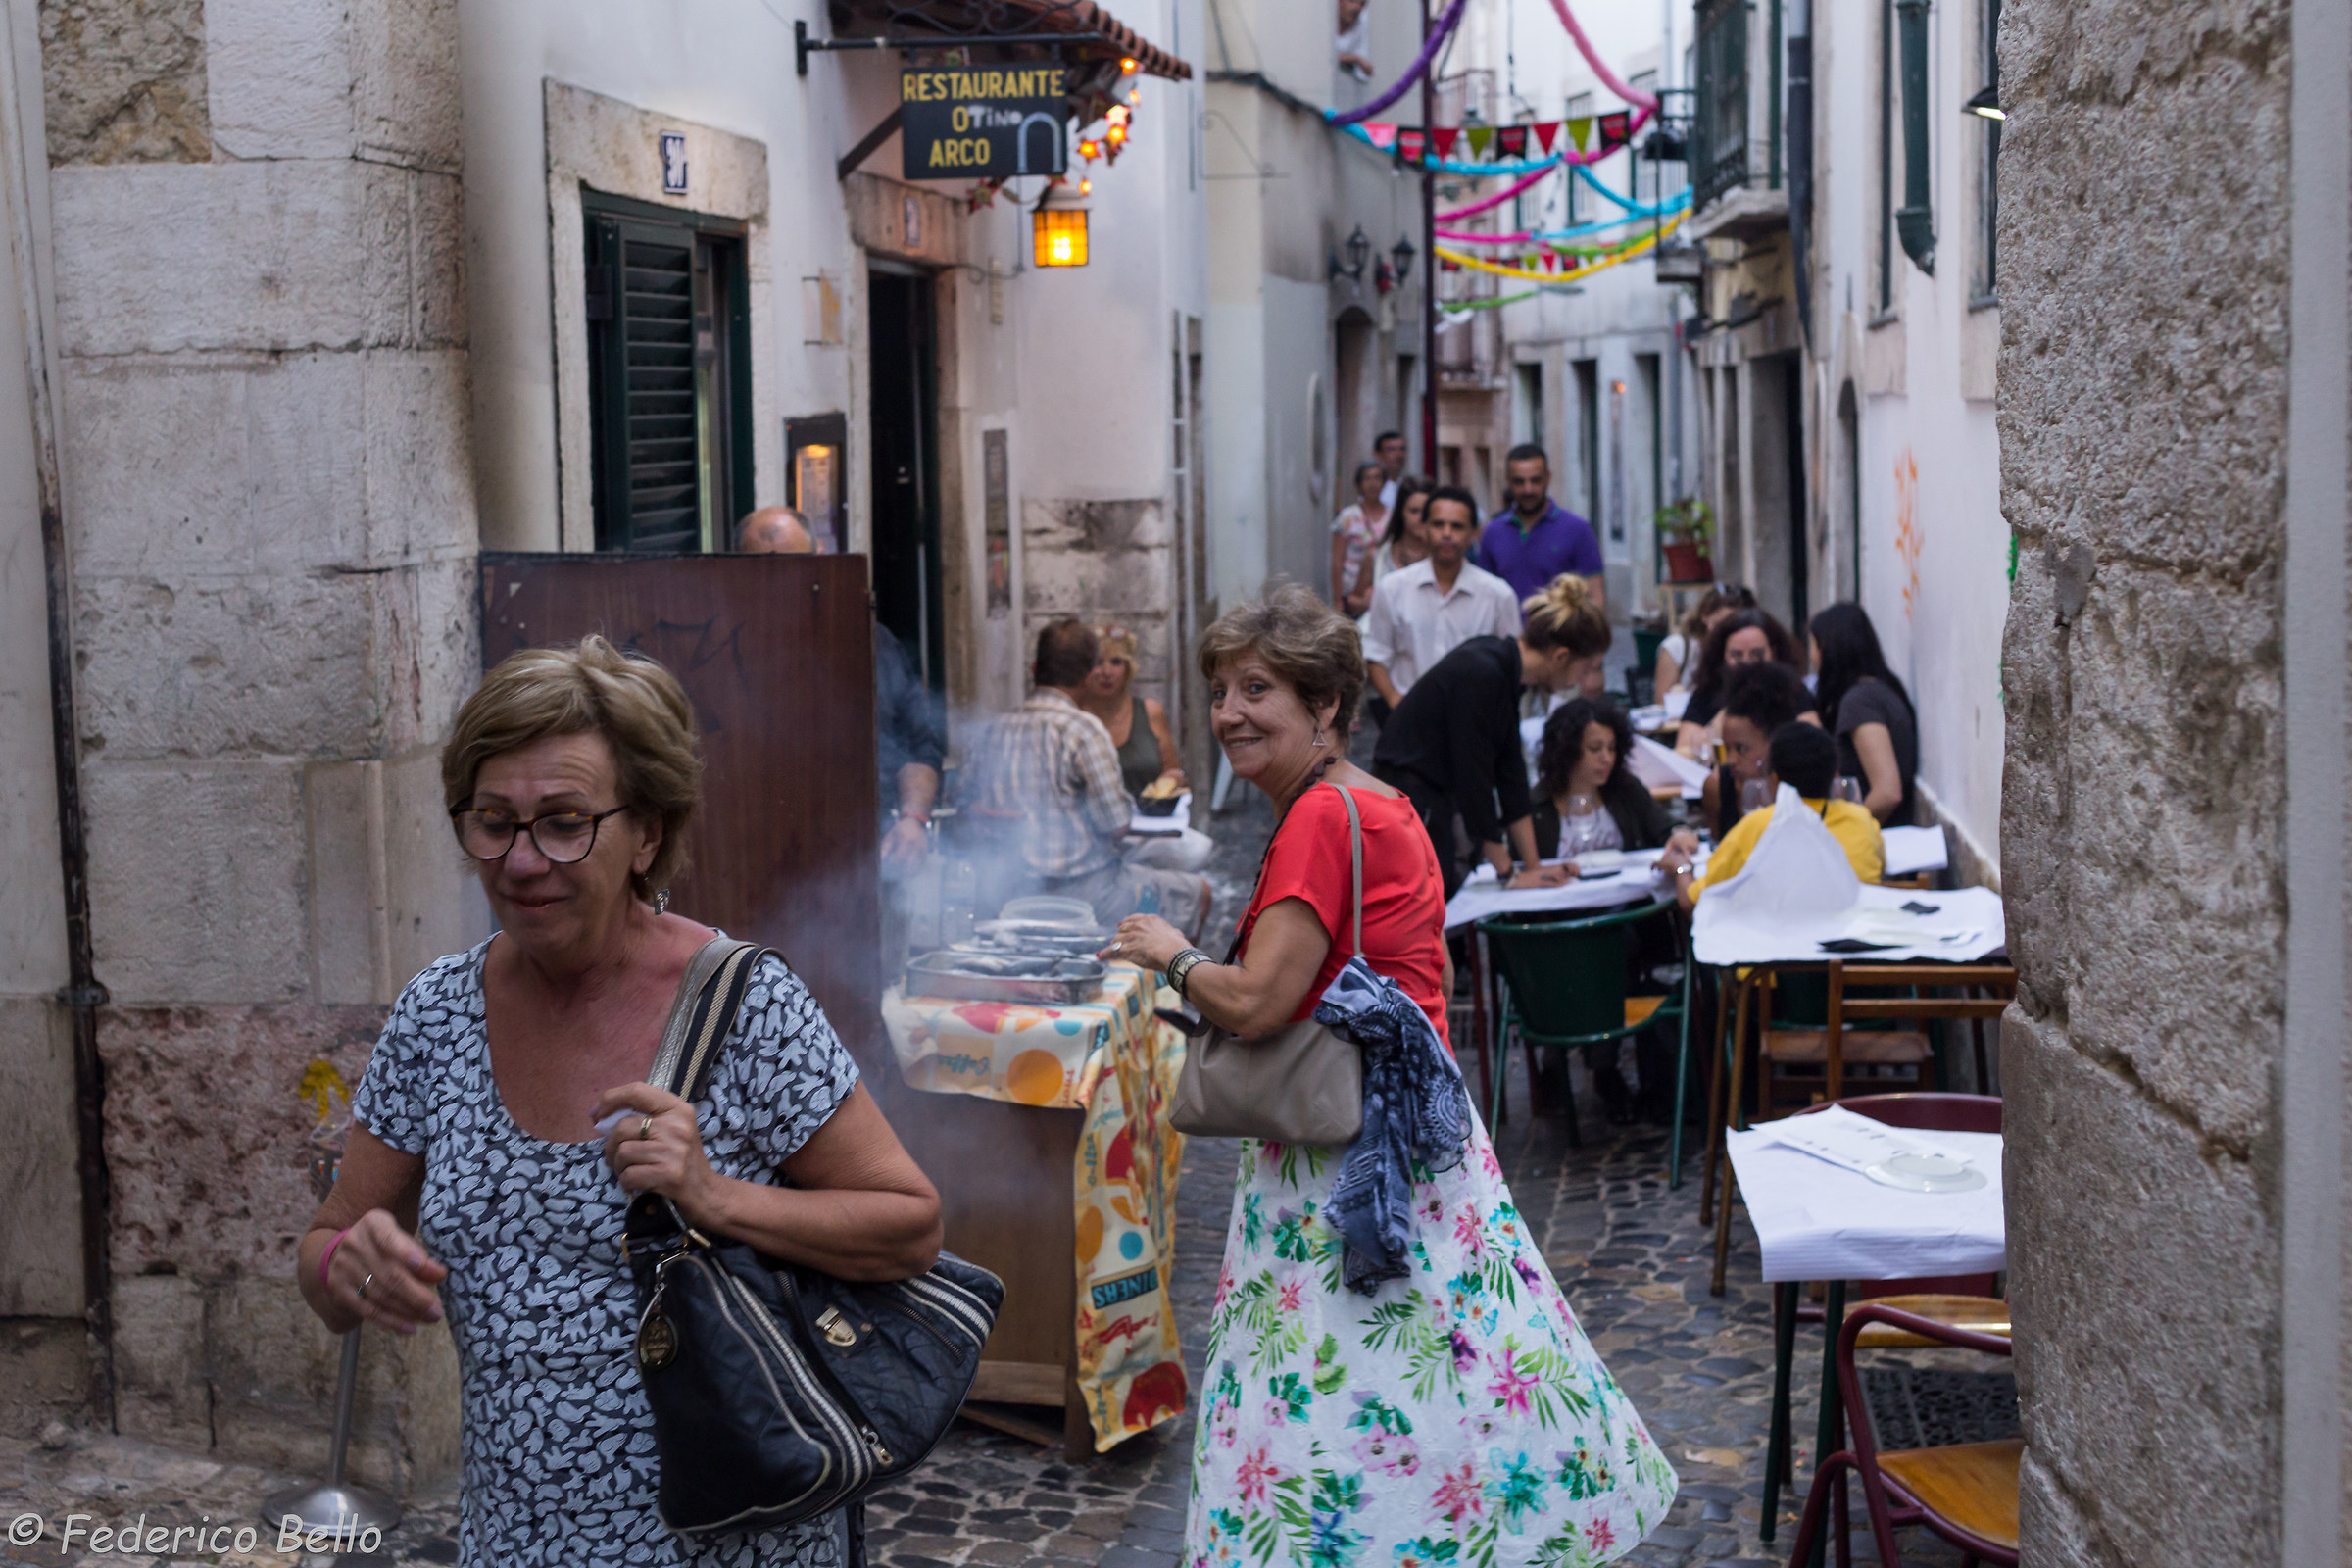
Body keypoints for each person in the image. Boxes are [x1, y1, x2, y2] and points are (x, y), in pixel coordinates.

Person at [297, 635, 943, 1567]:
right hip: (516, 1540)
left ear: (647, 832)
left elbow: (909, 1226)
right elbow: (326, 1253)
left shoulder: (745, 1005)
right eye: (493, 821)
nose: (522, 861)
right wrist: (349, 1269)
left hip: (731, 1546)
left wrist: (714, 1197)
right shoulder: (437, 1013)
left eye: (565, 823)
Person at [1095, 585, 1677, 1567]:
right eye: (1222, 690)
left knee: (1324, 1393)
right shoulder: (1382, 802)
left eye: (1258, 689)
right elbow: (1427, 964)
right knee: (1427, 1374)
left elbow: (1258, 1003)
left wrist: (1171, 954)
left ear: (1325, 703)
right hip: (1412, 1128)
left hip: (1339, 1151)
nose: (1230, 712)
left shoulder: (1321, 818)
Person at [962, 619, 1211, 936]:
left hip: (1005, 889)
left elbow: (964, 808)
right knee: (1199, 894)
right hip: (1086, 892)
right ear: (1087, 676)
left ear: (1034, 669)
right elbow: (1116, 824)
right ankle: (1167, 969)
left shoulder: (992, 729)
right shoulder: (1083, 729)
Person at [1372, 575, 1611, 897]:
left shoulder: (1505, 671)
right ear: (1560, 656)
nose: (1582, 681)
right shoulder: (1483, 672)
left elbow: (1510, 772)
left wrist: (1533, 867)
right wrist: (1508, 874)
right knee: (1429, 902)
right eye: (1585, 669)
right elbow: (1474, 778)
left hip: (1430, 797)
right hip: (1409, 796)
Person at [742, 507, 943, 871]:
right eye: (761, 571)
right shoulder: (724, 651)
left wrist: (913, 819)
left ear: (819, 560)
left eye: (793, 568)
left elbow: (920, 744)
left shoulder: (871, 643)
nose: (779, 586)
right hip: (754, 858)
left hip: (868, 850)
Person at [1660, 721, 1885, 907]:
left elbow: (1694, 902)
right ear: (1832, 776)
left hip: (1782, 947)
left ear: (1774, 779)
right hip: (1853, 944)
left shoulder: (1758, 826)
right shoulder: (1861, 819)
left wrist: (1681, 867)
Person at [1360, 484, 1522, 710]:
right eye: (1438, 524)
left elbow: (1513, 664)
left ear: (1473, 533)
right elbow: (1376, 655)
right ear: (1425, 528)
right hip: (1409, 716)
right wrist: (1396, 703)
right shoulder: (1392, 588)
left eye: (1457, 526)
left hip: (1475, 717)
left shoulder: (1498, 595)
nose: (1447, 534)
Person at [1081, 624, 1214, 873]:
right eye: (1099, 662)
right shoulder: (1076, 718)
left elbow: (1173, 770)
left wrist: (1169, 782)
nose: (1107, 672)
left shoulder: (1150, 712)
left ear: (1128, 668)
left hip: (1147, 834)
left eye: (1116, 662)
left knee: (1199, 850)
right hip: (1094, 836)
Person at [1810, 602, 1919, 825]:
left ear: (1828, 648)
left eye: (1813, 645)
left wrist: (1841, 830)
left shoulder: (1859, 701)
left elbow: (1887, 792)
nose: (1812, 656)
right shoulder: (1880, 689)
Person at [1530, 696, 1675, 858]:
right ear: (1567, 750)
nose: (1607, 759)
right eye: (1595, 748)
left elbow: (1666, 828)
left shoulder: (1625, 788)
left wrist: (1680, 834)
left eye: (1612, 748)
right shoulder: (1537, 805)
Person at [1697, 661, 1821, 840]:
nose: (1730, 760)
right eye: (1727, 748)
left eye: (1741, 749)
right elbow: (1719, 848)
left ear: (1776, 744)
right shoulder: (1716, 788)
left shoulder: (1805, 784)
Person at [1476, 443, 1605, 607]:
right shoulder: (1493, 532)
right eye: (1519, 482)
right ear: (1508, 481)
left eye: (1535, 480)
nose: (1528, 489)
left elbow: (1595, 596)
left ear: (1548, 478)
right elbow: (1484, 596)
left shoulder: (1578, 530)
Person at [1673, 607, 1803, 756]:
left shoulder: (1791, 688)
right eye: (1737, 655)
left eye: (1757, 654)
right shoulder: (1709, 690)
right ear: (1723, 656)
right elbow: (1682, 752)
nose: (1747, 662)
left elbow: (1810, 739)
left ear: (1773, 652)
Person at [1653, 583, 1757, 696]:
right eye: (1719, 625)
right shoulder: (1678, 647)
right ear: (1705, 616)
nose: (1724, 634)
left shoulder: (1743, 651)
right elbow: (1662, 700)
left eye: (1735, 627)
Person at [1330, 460, 1390, 615]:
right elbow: (1337, 560)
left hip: (1382, 588)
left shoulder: (1392, 516)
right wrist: (1337, 600)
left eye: (1377, 478)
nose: (1373, 484)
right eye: (1367, 479)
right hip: (1352, 592)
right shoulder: (1348, 516)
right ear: (1359, 484)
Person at [1372, 428, 1408, 510]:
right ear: (1378, 454)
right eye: (1391, 449)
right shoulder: (1373, 488)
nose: (1398, 454)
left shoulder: (1407, 485)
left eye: (1402, 449)